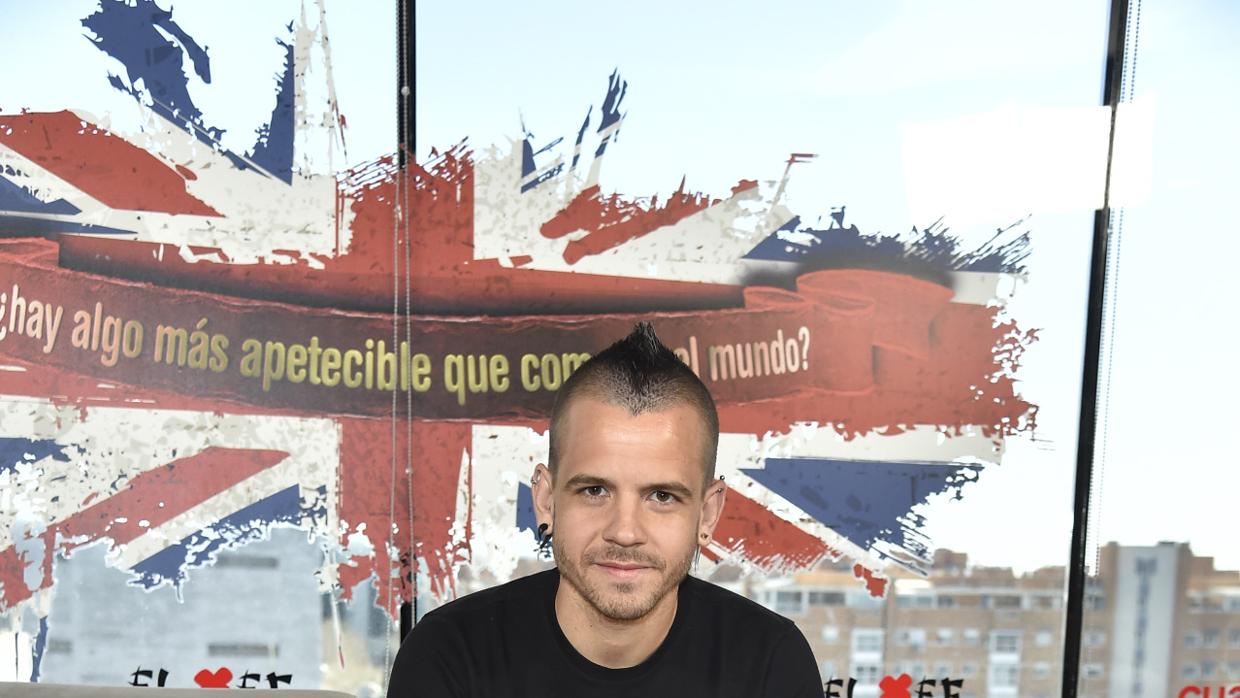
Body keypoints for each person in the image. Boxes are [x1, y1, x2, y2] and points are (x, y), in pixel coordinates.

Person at [388, 323, 822, 697]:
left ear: (707, 515)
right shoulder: (449, 654)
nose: (625, 531)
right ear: (546, 500)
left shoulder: (769, 663)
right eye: (595, 490)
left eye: (662, 496)